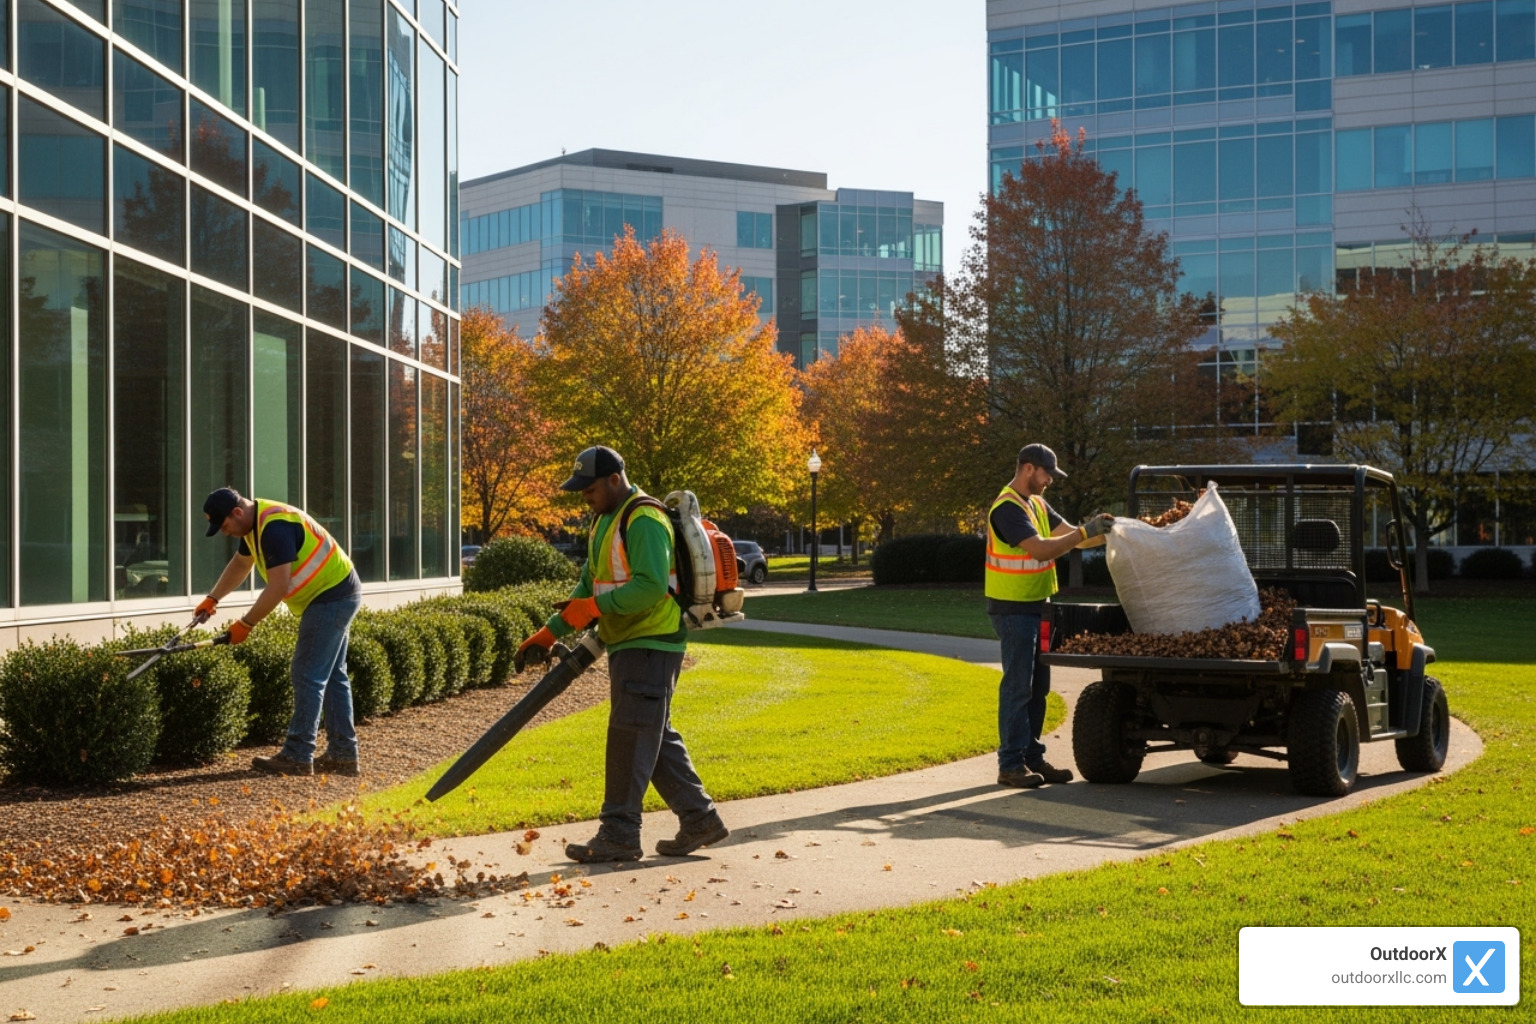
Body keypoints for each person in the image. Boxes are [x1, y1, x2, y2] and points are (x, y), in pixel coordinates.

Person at [516, 446, 727, 863]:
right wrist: (548, 633)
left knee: (630, 735)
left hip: (651, 642)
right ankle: (699, 819)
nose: (584, 496)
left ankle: (619, 834)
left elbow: (650, 586)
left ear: (615, 479)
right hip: (631, 642)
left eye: (590, 488)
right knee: (652, 735)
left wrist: (594, 610)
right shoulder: (604, 521)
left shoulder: (644, 519)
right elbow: (588, 588)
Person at [198, 487, 363, 777]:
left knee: (306, 673)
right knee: (333, 675)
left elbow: (278, 586)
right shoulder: (254, 524)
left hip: (331, 594)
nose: (225, 532)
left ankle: (298, 755)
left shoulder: (274, 527)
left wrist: (246, 624)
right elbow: (241, 563)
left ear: (237, 512)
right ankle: (343, 755)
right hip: (337, 591)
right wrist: (213, 598)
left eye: (224, 526)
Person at [986, 443, 1113, 789]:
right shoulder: (1007, 508)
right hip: (1013, 609)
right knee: (1017, 688)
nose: (1050, 481)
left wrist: (1104, 530)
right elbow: (1042, 550)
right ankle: (1010, 764)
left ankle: (1032, 758)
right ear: (1028, 468)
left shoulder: (1037, 504)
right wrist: (1085, 531)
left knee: (1038, 688)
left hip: (1038, 606)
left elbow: (1074, 539)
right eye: (1047, 474)